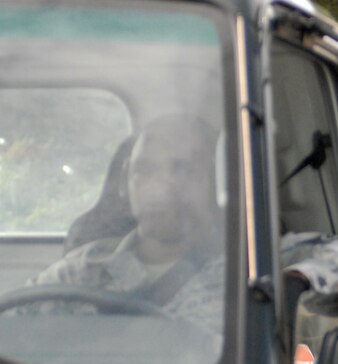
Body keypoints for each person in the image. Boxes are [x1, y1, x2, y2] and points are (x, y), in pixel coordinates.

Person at [29, 113, 224, 334]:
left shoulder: (238, 280)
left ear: (214, 182)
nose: (159, 187)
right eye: (145, 170)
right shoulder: (81, 269)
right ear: (125, 181)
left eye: (182, 169)